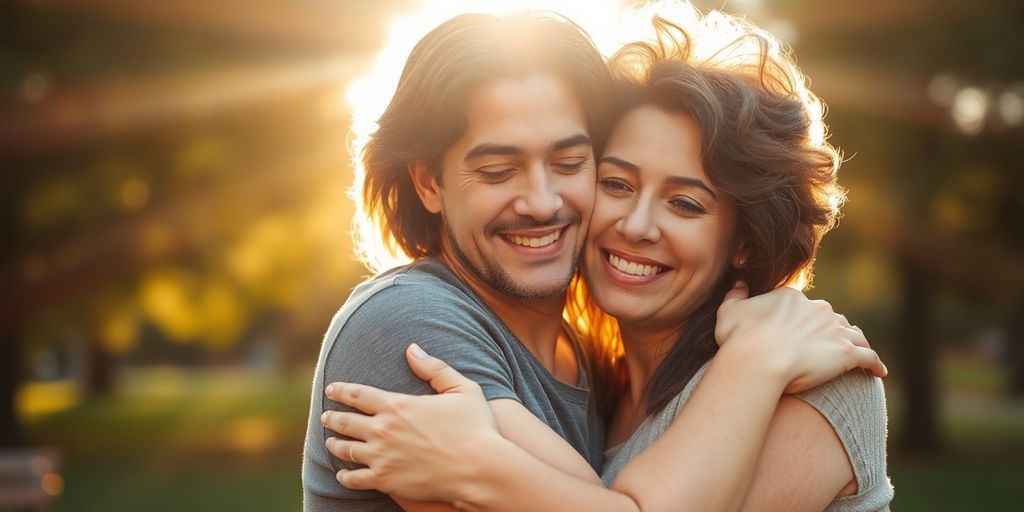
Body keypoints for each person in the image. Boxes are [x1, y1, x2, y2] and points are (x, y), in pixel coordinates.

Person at [306, 7, 887, 512]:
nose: (635, 226)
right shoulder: (407, 328)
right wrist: (754, 361)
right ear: (429, 183)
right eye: (617, 182)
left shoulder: (812, 390)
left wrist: (481, 469)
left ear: (744, 240)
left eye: (685, 203)